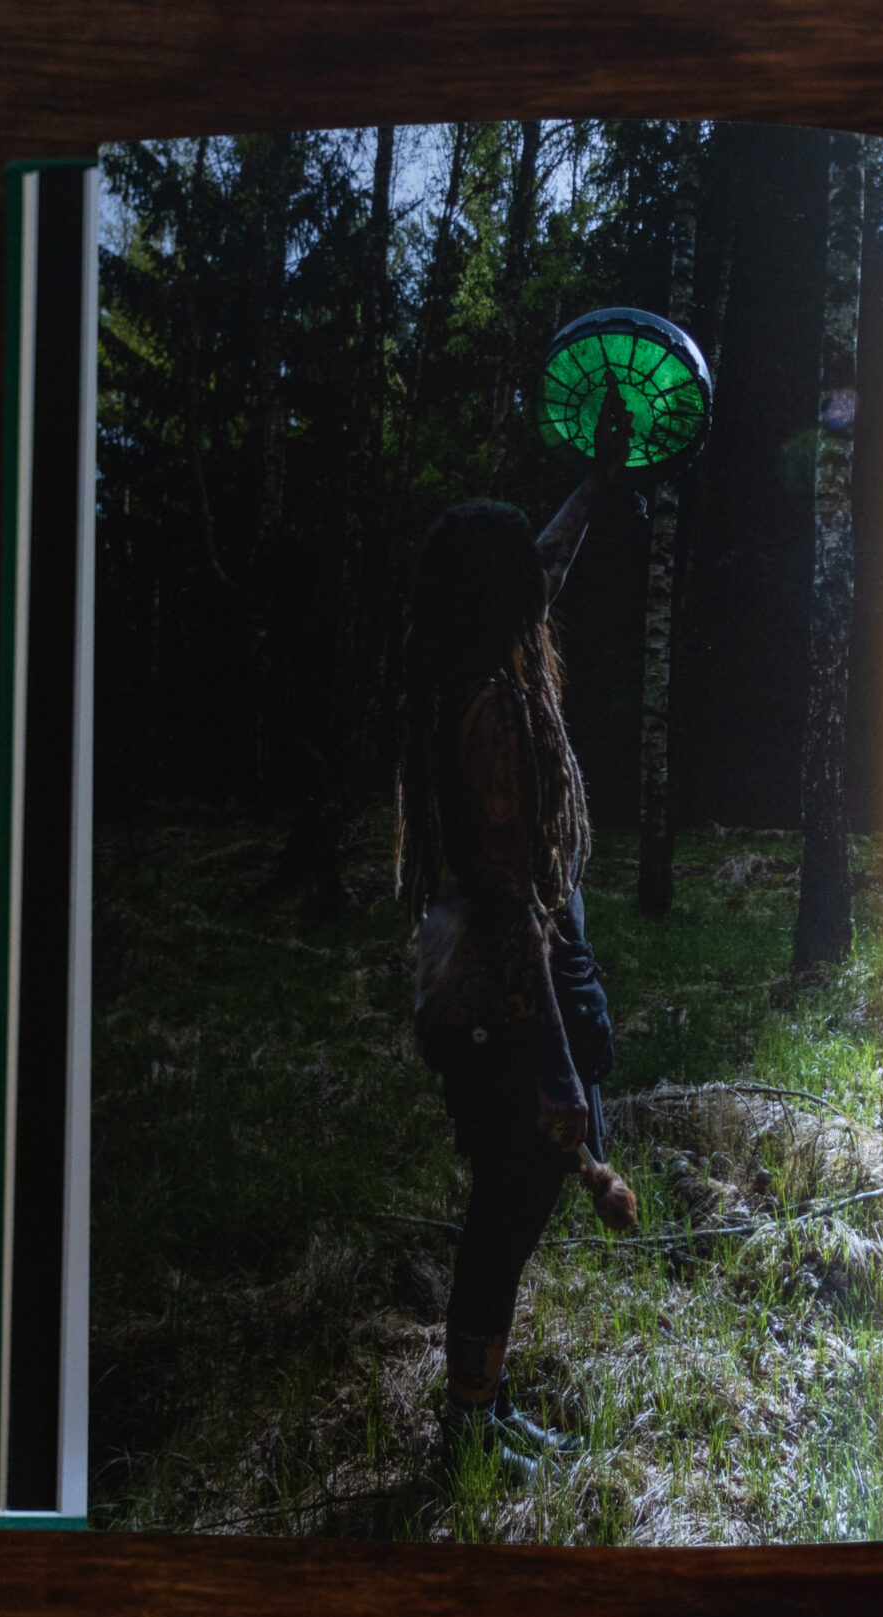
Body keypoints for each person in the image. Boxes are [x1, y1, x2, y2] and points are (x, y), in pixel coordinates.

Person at [397, 395, 642, 1475]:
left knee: (517, 1190)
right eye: (522, 575)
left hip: (532, 957)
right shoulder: (494, 705)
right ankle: (471, 1422)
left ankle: (481, 1408)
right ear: (500, 597)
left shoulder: (470, 657)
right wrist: (550, 1064)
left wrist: (598, 477)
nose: (540, 582)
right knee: (513, 1192)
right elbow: (510, 906)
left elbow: (545, 555)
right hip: (514, 979)